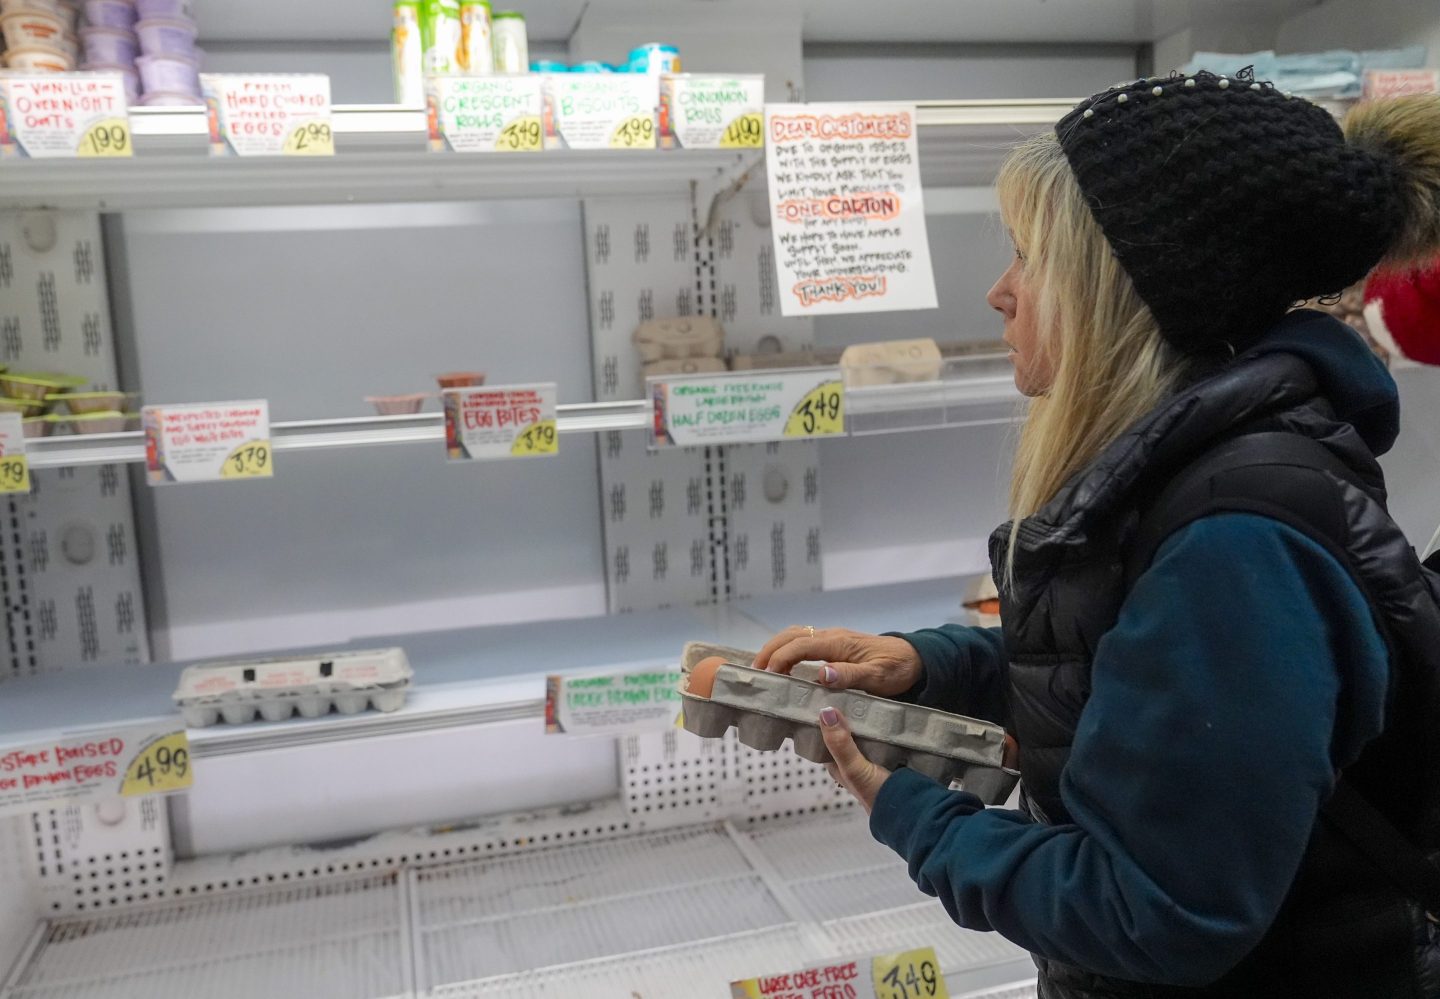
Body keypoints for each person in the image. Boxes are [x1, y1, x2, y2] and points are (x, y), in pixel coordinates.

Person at [756, 69, 1440, 998]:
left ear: (1123, 292)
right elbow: (1138, 682)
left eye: (1029, 255)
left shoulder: (1232, 541)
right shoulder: (1186, 486)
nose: (999, 292)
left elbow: (1154, 911)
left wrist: (916, 816)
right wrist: (935, 668)